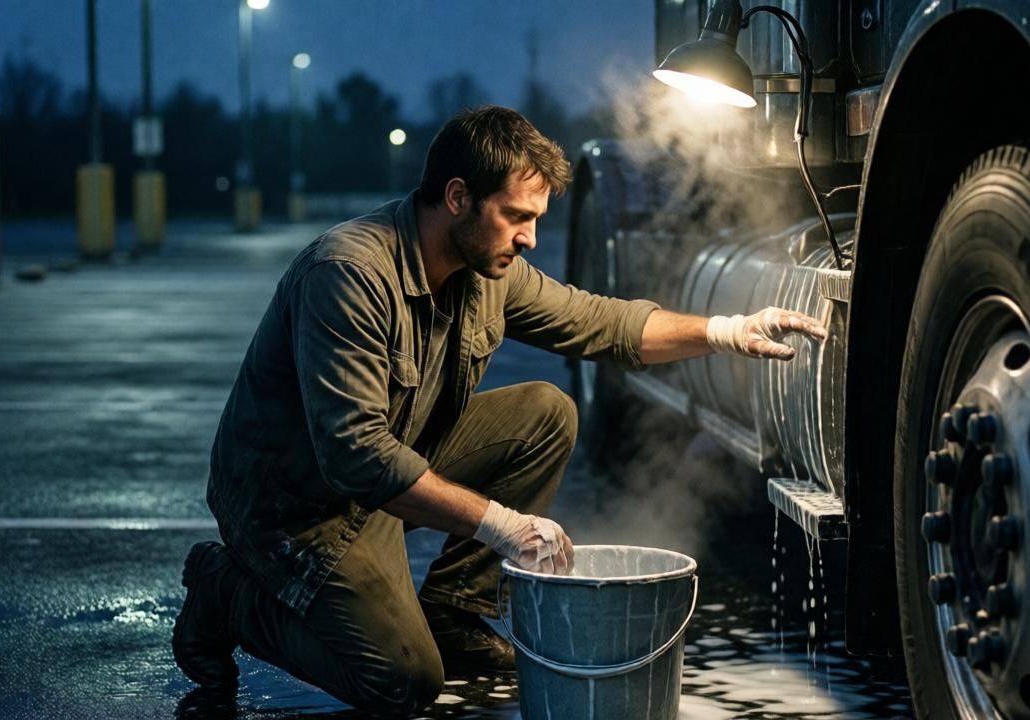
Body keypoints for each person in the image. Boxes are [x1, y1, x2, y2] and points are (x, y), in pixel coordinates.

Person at [172, 105, 828, 714]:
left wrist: (725, 330)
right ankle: (223, 593)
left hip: (379, 477)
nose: (532, 239)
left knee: (546, 412)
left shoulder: (486, 267)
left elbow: (599, 323)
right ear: (458, 198)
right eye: (518, 216)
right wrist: (502, 525)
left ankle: (453, 612)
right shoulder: (348, 274)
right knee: (401, 681)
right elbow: (355, 455)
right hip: (295, 508)